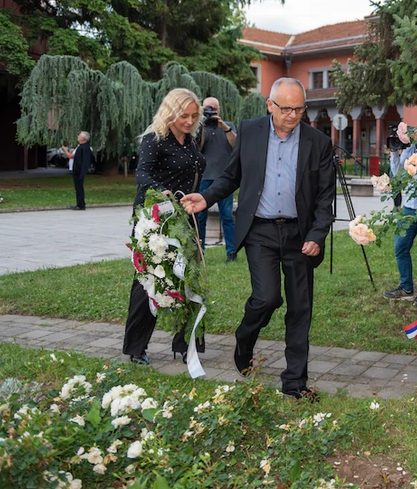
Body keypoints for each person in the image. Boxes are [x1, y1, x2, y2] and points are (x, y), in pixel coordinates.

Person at [181, 78, 335, 401]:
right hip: (260, 230)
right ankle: (244, 338)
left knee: (300, 308)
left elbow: (324, 198)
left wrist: (317, 235)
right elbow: (231, 177)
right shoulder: (250, 132)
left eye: (298, 109)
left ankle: (294, 381)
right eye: (285, 108)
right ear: (270, 105)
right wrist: (206, 199)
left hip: (300, 234)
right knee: (266, 298)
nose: (292, 115)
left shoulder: (318, 142)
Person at [122, 88, 206, 366]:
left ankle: (185, 345)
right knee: (149, 281)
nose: (189, 121)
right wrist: (163, 192)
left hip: (183, 219)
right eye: (184, 115)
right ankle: (136, 348)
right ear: (170, 112)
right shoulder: (155, 139)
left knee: (187, 277)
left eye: (194, 116)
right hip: (154, 217)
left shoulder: (190, 142)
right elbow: (142, 173)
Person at [384, 111, 417, 307]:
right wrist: (394, 153)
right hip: (409, 207)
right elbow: (397, 174)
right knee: (400, 247)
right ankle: (406, 286)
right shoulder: (409, 150)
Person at [195, 97, 238, 261]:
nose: (211, 112)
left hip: (224, 179)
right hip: (204, 178)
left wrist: (224, 126)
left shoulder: (228, 126)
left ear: (219, 110)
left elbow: (236, 145)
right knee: (200, 217)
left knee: (227, 216)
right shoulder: (200, 128)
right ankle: (200, 251)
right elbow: (198, 148)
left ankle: (231, 252)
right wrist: (202, 125)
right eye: (207, 109)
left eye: (213, 108)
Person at [61, 132, 93, 211]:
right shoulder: (83, 147)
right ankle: (80, 203)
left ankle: (80, 205)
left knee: (79, 187)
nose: (77, 136)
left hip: (78, 170)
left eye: (79, 135)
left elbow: (71, 156)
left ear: (83, 138)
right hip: (79, 170)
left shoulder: (82, 147)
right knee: (79, 187)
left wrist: (65, 150)